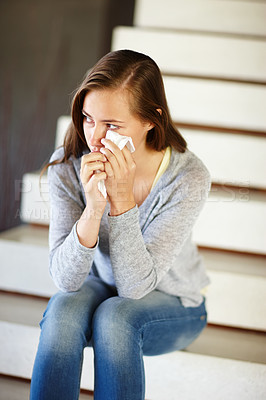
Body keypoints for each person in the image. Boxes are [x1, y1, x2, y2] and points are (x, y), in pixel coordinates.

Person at [30, 49, 211, 400]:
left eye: (111, 125)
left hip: (174, 303)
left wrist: (122, 200)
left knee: (116, 316)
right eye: (87, 118)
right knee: (63, 309)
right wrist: (93, 208)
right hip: (104, 287)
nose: (93, 138)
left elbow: (133, 289)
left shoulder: (187, 177)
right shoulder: (68, 164)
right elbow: (66, 280)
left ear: (150, 121)